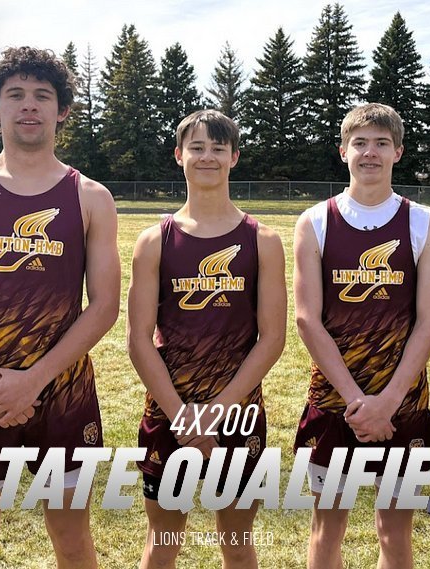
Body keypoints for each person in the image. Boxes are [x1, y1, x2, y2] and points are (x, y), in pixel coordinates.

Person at [0, 47, 120, 569]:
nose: (28, 106)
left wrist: (31, 382)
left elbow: (103, 306)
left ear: (62, 111)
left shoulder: (91, 196)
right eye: (15, 96)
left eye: (42, 96)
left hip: (63, 392)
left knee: (73, 542)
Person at [127, 109, 286, 569]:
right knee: (163, 544)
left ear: (235, 157)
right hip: (168, 412)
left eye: (218, 148)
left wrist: (215, 414)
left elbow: (271, 339)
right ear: (179, 156)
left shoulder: (264, 240)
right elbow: (138, 341)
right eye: (197, 147)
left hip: (238, 415)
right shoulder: (154, 241)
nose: (207, 157)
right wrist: (183, 418)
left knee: (237, 544)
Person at [293, 103, 430, 569]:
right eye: (360, 143)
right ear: (343, 151)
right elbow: (307, 319)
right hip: (334, 402)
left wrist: (389, 401)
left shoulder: (425, 223)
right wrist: (359, 402)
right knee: (327, 531)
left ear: (398, 151)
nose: (370, 153)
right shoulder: (315, 221)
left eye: (382, 143)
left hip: (404, 403)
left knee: (395, 533)